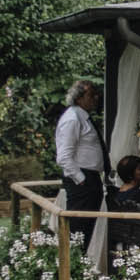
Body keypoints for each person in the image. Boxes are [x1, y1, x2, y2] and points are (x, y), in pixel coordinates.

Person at [53, 78, 106, 249]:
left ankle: (79, 265)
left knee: (87, 227)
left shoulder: (83, 118)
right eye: (91, 95)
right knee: (79, 229)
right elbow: (64, 156)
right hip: (82, 181)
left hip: (90, 178)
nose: (95, 98)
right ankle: (72, 267)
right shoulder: (73, 119)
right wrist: (82, 180)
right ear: (79, 98)